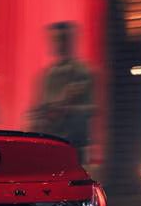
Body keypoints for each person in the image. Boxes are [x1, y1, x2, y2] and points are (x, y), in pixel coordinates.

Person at [29, 21, 96, 162]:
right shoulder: (47, 75)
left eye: (62, 39)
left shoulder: (82, 72)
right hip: (50, 142)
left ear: (71, 41)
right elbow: (38, 108)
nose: (57, 44)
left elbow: (92, 109)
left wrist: (65, 109)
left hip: (72, 143)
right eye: (55, 39)